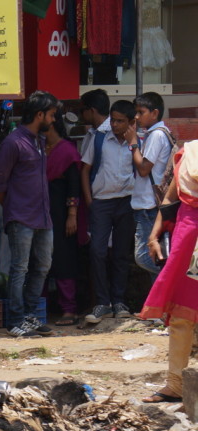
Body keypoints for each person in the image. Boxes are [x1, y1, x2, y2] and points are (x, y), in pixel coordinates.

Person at [0, 90, 59, 338]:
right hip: (21, 216)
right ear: (39, 114)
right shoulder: (13, 143)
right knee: (19, 268)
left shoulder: (39, 141)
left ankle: (29, 316)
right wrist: (12, 209)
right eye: (51, 115)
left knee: (42, 265)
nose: (53, 120)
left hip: (42, 215)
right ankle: (16, 320)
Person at [139, 142, 198, 403]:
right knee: (181, 315)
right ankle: (175, 384)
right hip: (187, 239)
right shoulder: (191, 153)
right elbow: (171, 200)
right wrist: (153, 235)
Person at [82, 99, 137, 323]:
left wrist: (134, 143)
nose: (114, 124)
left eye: (120, 121)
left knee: (122, 253)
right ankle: (102, 302)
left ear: (131, 122)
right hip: (102, 202)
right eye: (113, 120)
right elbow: (84, 170)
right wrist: (89, 202)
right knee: (97, 251)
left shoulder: (138, 142)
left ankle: (119, 301)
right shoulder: (99, 139)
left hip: (126, 202)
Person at [127, 92, 174, 278]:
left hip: (149, 205)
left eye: (141, 112)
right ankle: (162, 305)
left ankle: (176, 278)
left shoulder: (156, 135)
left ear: (154, 113)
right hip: (153, 204)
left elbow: (144, 169)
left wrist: (133, 145)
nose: (137, 117)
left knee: (145, 257)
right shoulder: (161, 133)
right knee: (158, 255)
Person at [44, 111, 83, 327]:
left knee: (64, 259)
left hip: (62, 214)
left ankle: (69, 309)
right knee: (38, 261)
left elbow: (73, 185)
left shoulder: (67, 151)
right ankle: (38, 309)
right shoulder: (38, 148)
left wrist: (72, 215)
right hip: (39, 212)